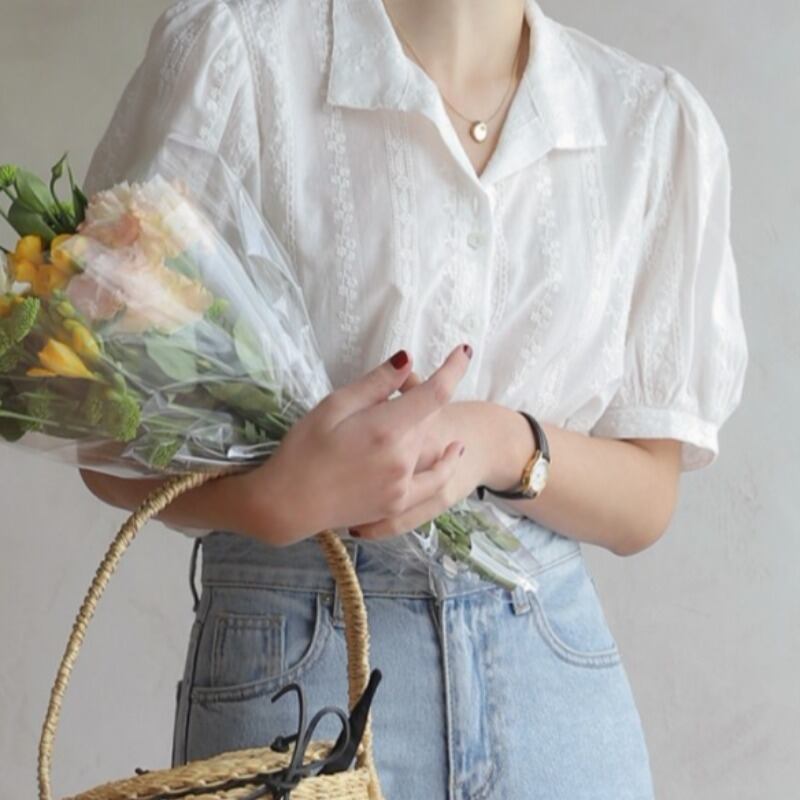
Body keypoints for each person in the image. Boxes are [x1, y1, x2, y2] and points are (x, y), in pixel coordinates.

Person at [79, 0, 749, 797]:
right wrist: (272, 502)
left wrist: (499, 442)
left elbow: (646, 499)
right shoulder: (240, 58)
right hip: (297, 675)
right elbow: (103, 441)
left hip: (550, 680)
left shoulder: (648, 122)